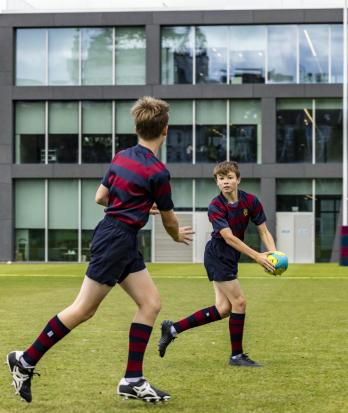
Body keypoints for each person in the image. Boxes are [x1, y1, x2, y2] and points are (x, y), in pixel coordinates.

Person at [6, 96, 193, 404]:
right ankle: (24, 361)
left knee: (151, 303)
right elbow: (171, 220)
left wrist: (139, 207)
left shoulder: (121, 157)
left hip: (120, 237)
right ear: (166, 130)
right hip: (116, 240)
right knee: (83, 309)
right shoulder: (158, 172)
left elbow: (100, 197)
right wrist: (174, 235)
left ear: (136, 127)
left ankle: (132, 380)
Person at [158, 160, 276, 367]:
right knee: (239, 302)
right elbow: (229, 238)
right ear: (217, 183)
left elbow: (264, 231)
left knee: (223, 309)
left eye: (230, 177)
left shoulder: (251, 201)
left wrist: (274, 255)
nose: (226, 182)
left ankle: (172, 329)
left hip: (230, 257)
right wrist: (258, 256)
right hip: (218, 255)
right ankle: (236, 356)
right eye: (221, 179)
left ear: (238, 179)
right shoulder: (215, 206)